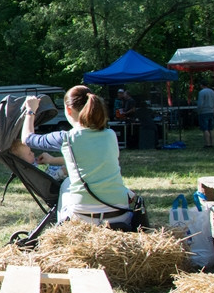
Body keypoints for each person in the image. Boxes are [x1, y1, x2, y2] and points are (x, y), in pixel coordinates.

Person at [22, 86, 135, 225]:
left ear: (68, 110)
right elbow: (88, 161)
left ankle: (61, 227)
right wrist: (52, 160)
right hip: (121, 213)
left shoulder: (66, 138)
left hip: (84, 218)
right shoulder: (110, 135)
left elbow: (27, 138)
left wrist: (30, 110)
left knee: (67, 183)